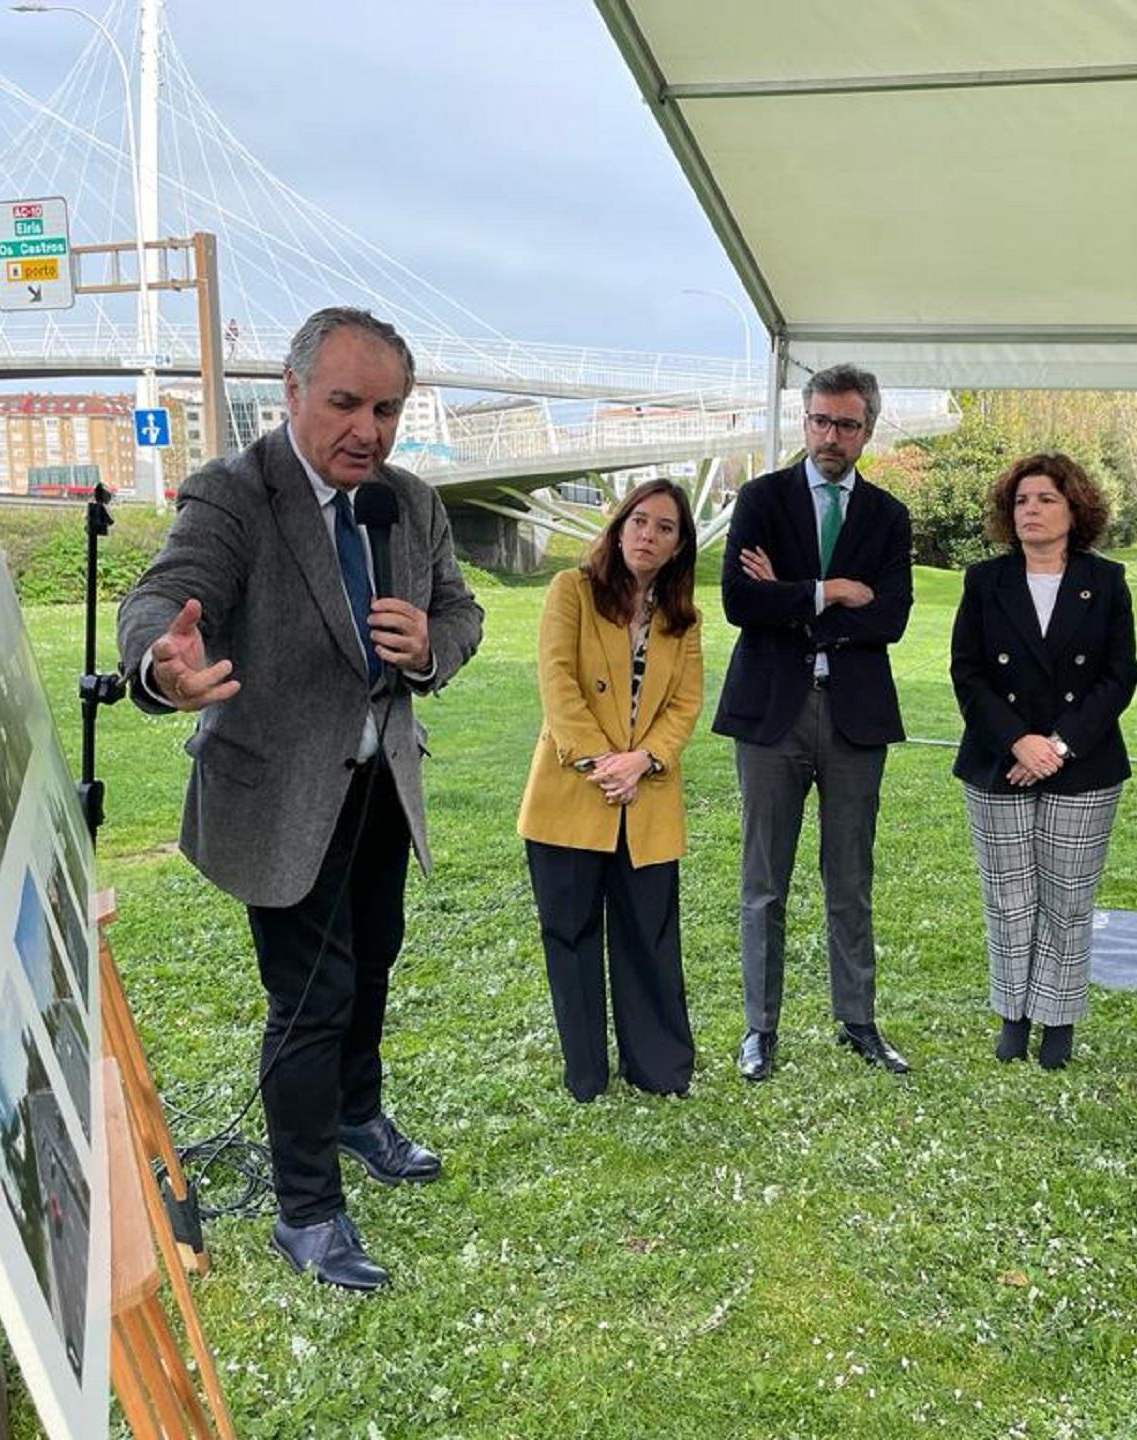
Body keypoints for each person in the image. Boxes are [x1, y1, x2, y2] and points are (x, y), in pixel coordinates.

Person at [118, 307, 484, 1289]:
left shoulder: (409, 503)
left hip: (378, 787)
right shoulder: (232, 496)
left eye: (387, 408)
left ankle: (358, 1115)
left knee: (370, 971)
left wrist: (433, 646)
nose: (368, 428)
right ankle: (308, 1212)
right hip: (279, 798)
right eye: (345, 403)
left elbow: (461, 608)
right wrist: (163, 661)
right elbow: (161, 597)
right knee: (311, 998)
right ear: (290, 392)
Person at [713, 362, 914, 1081]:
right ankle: (759, 1029)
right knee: (763, 879)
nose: (831, 436)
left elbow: (891, 616)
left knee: (849, 877)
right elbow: (739, 599)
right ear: (804, 422)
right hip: (772, 714)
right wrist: (831, 591)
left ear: (868, 429)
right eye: (820, 421)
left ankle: (857, 1020)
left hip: (855, 717)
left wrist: (792, 598)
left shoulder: (889, 516)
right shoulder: (763, 499)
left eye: (847, 424)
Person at [949, 454, 1137, 1068]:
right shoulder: (984, 581)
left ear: (1074, 510)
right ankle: (1013, 1014)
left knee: (1067, 897)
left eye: (1046, 499)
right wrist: (1017, 742)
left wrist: (1056, 746)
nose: (1031, 510)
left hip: (1080, 764)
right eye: (1022, 500)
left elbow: (1119, 675)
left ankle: (1056, 1022)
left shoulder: (1105, 581)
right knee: (1008, 898)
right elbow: (968, 672)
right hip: (998, 762)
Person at [518, 480, 704, 1102]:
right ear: (620, 526)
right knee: (570, 935)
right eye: (640, 522)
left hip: (646, 796)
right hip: (574, 791)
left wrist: (644, 761)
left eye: (665, 528)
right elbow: (557, 682)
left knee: (648, 936)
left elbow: (685, 703)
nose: (648, 536)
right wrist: (604, 762)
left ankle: (657, 1068)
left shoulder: (684, 618)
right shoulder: (570, 591)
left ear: (679, 546)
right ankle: (587, 1075)